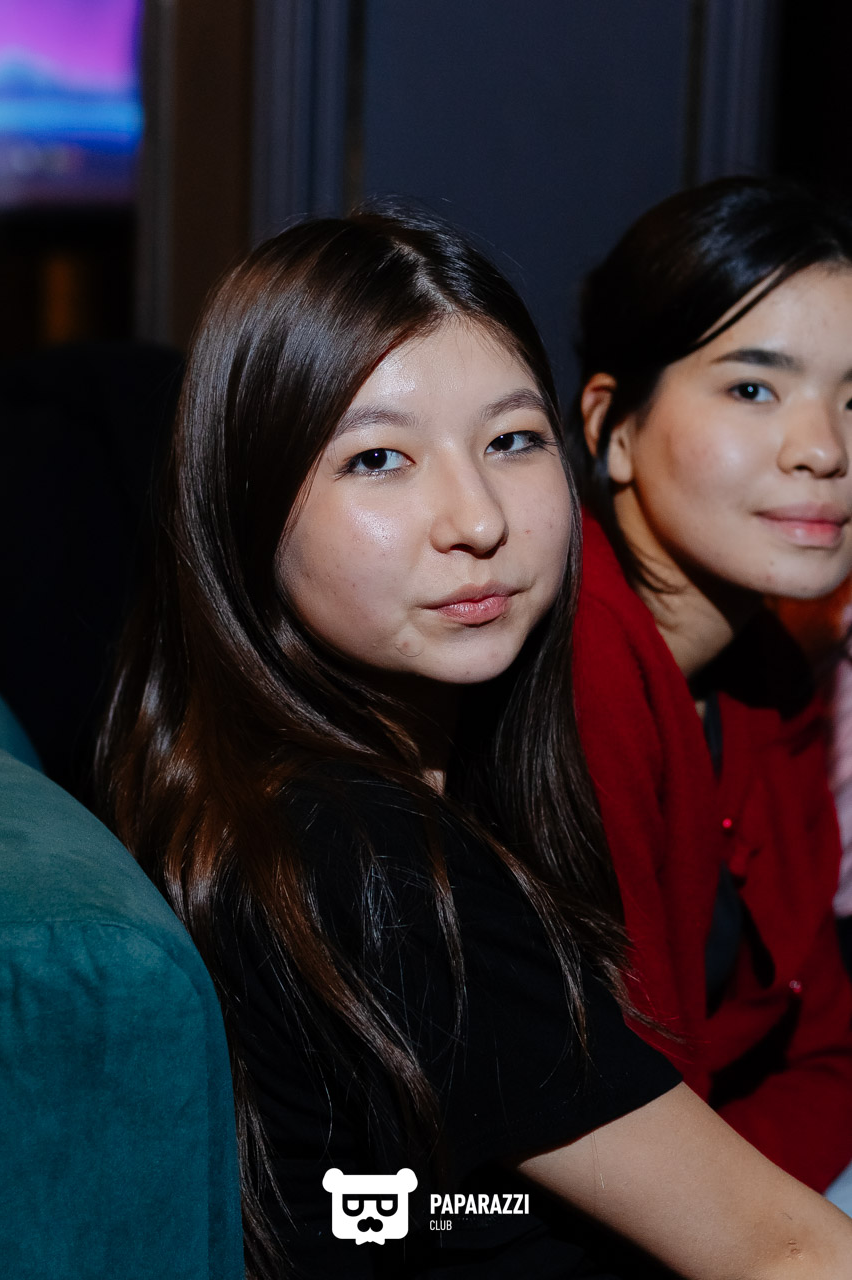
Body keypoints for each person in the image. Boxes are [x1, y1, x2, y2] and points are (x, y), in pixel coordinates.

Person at [98, 207, 852, 1279]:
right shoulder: (372, 862)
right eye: (378, 459)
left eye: (510, 441)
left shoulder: (396, 778)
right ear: (246, 502)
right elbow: (774, 1249)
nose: (477, 518)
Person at [567, 176, 852, 1210]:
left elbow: (830, 1049)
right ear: (613, 428)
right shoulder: (576, 671)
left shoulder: (766, 669)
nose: (823, 449)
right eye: (752, 389)